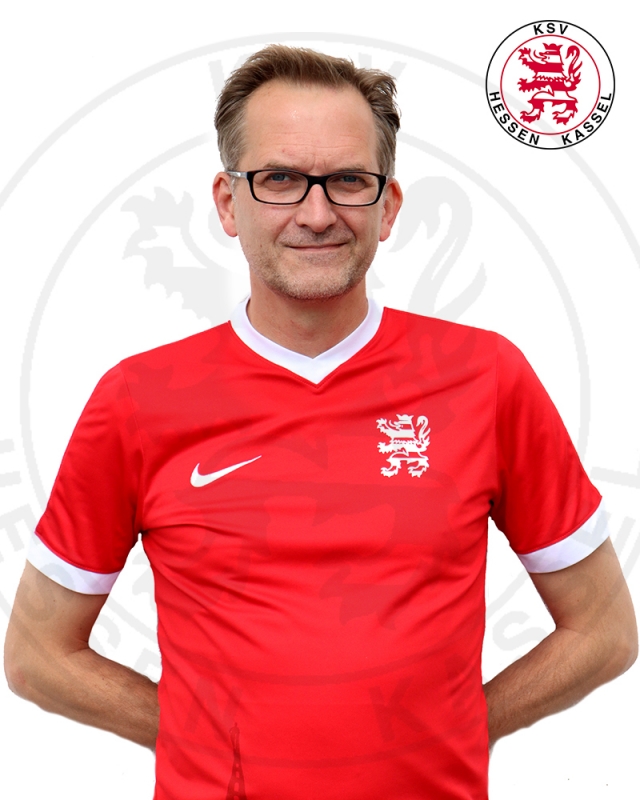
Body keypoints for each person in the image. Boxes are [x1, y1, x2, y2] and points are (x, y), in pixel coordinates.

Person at [4, 45, 637, 800]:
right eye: (278, 179)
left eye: (347, 180)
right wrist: (208, 738)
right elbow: (38, 654)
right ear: (228, 203)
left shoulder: (486, 377)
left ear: (388, 206)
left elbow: (603, 630)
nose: (316, 213)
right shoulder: (138, 399)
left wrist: (450, 729)